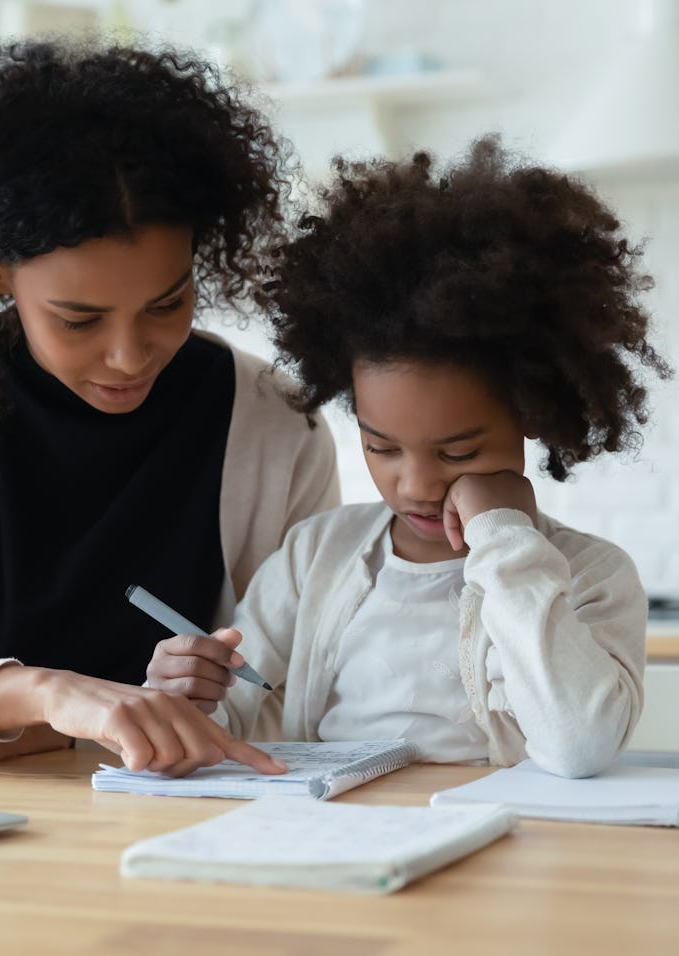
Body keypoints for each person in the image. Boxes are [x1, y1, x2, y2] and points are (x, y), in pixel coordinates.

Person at [0, 37, 340, 775]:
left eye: (167, 303)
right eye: (79, 319)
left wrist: (73, 727)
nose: (129, 354)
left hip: (169, 823)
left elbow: (295, 692)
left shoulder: (275, 425)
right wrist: (49, 696)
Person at [147, 136, 673, 778]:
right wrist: (185, 698)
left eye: (459, 451)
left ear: (534, 412)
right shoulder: (315, 557)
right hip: (336, 838)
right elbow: (225, 718)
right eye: (380, 446)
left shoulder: (593, 576)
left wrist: (504, 539)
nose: (417, 484)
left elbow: (579, 746)